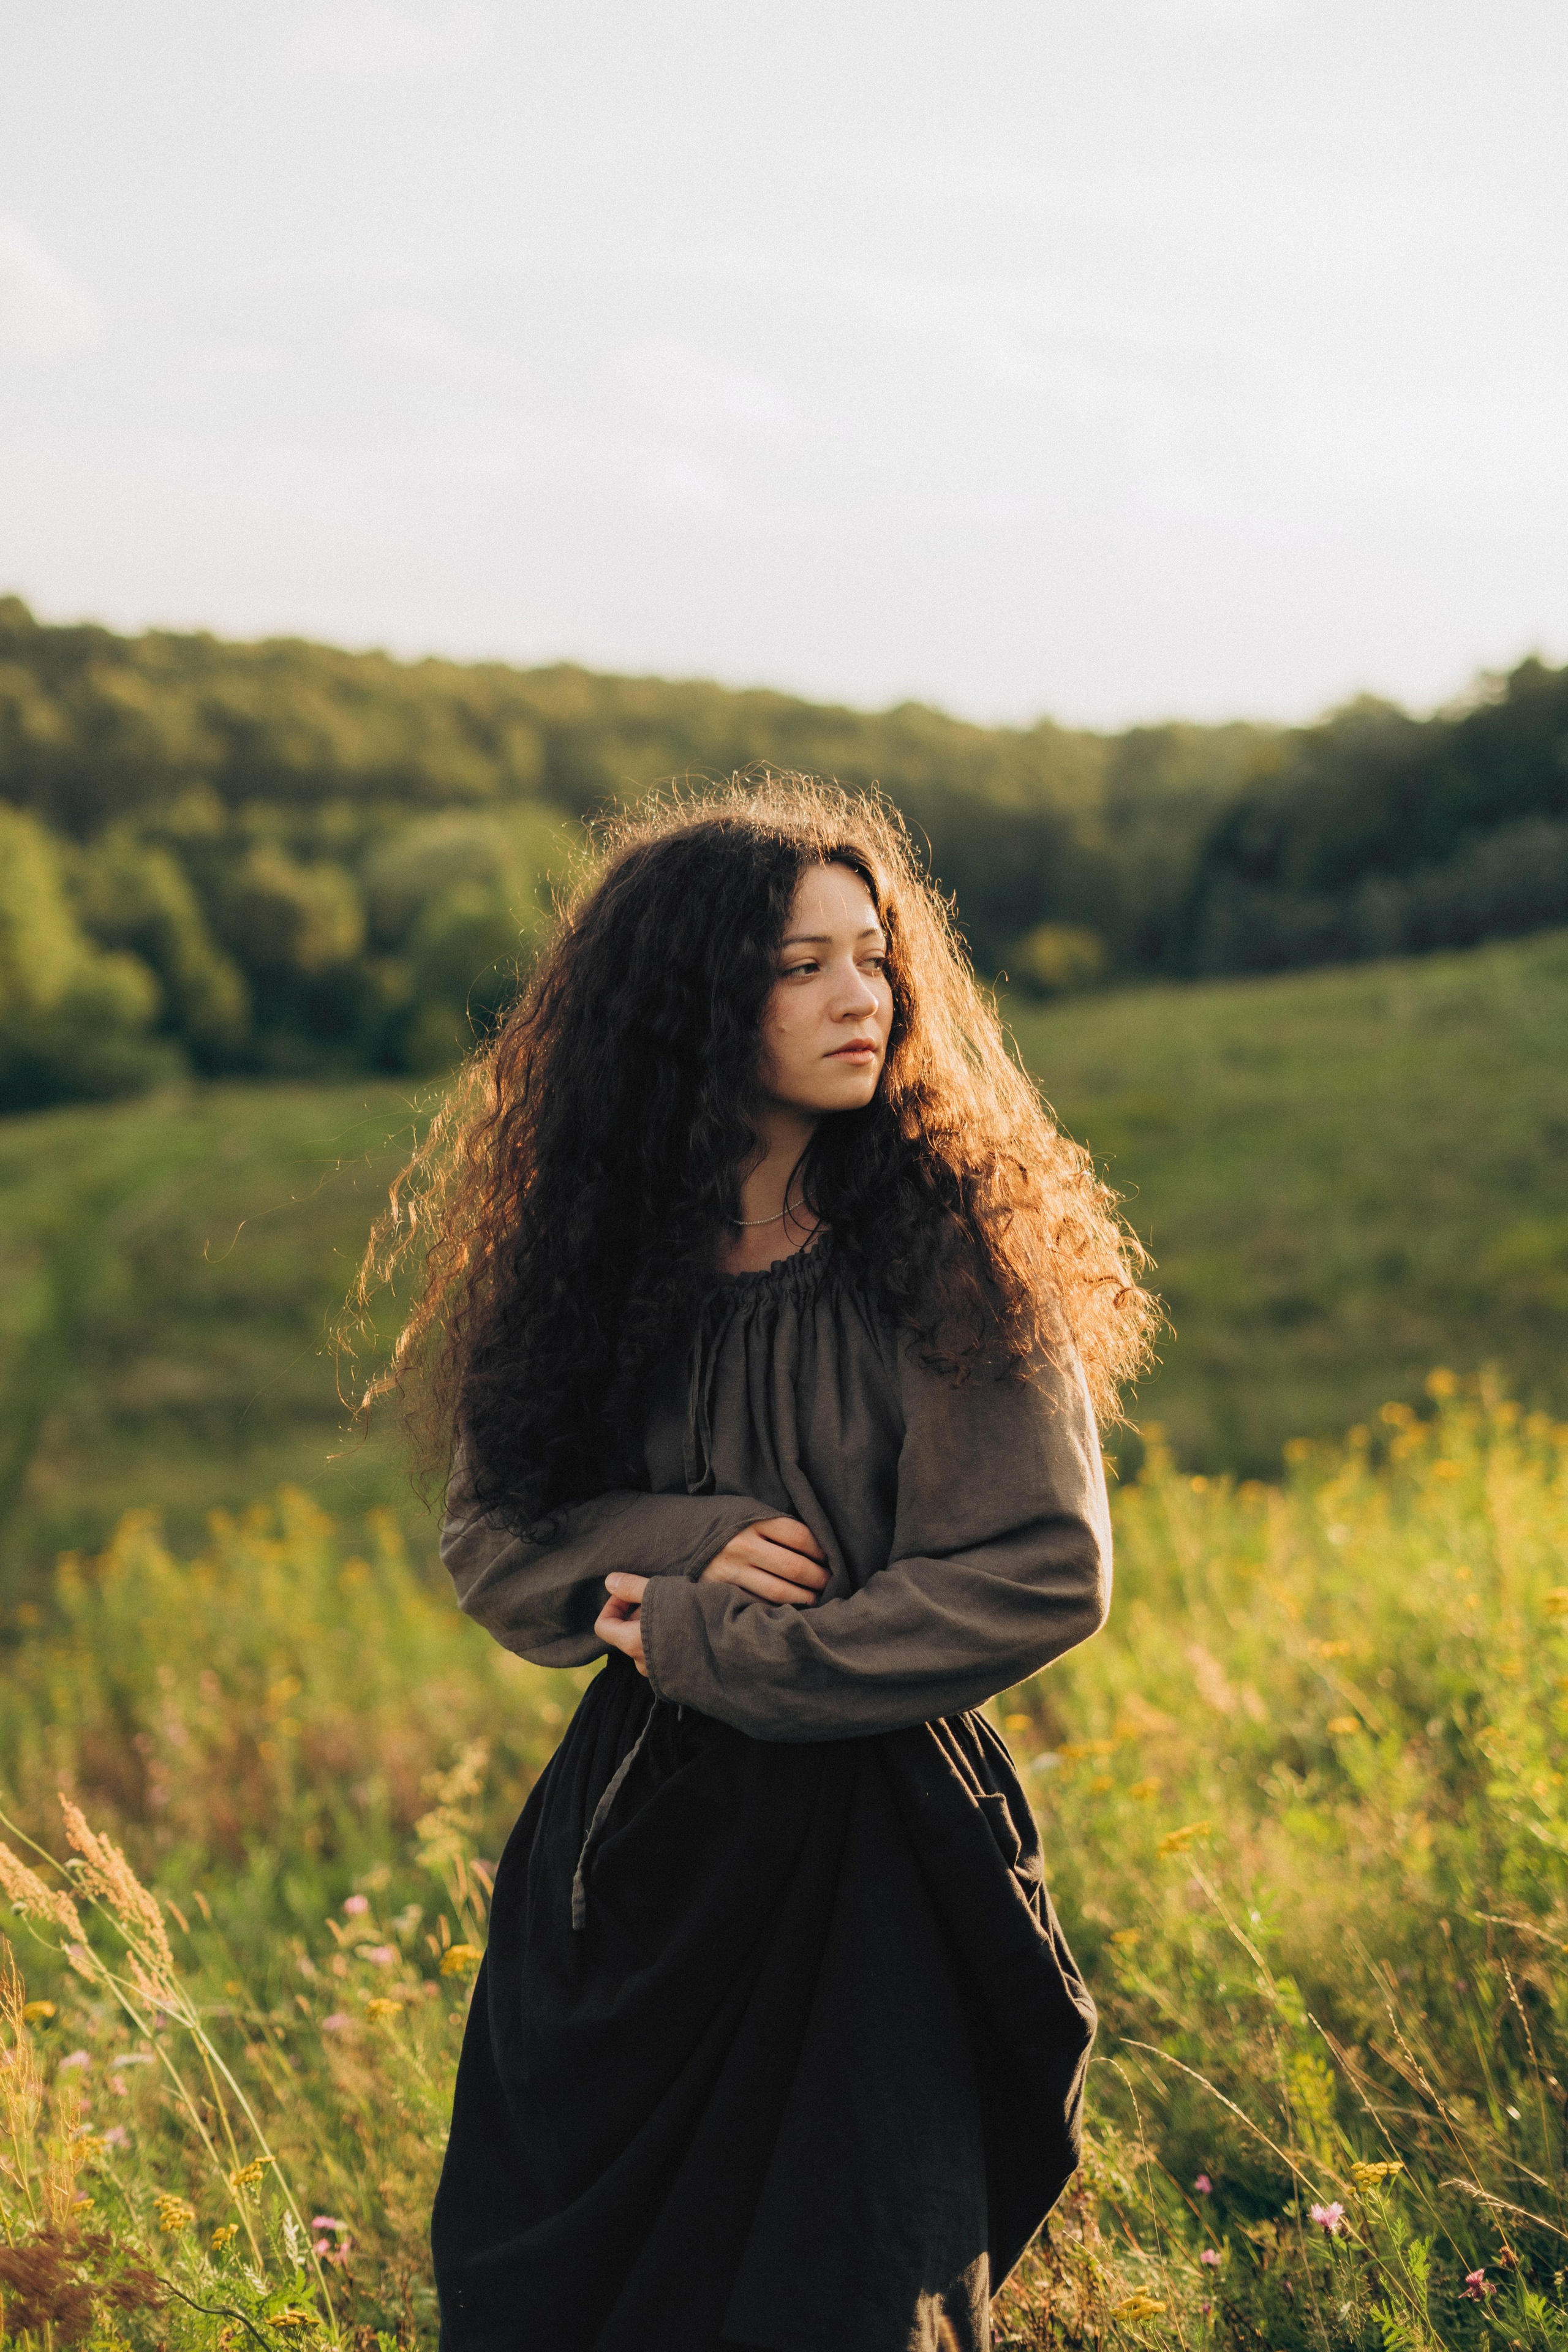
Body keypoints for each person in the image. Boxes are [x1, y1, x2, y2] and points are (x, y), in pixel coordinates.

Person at [356, 778, 1155, 2352]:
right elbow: (497, 1545)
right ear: (687, 1002)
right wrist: (696, 1540)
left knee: (842, 2298)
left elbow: (1040, 1567)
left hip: (870, 1858)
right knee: (562, 2301)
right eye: (800, 966)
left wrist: (738, 1650)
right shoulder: (591, 1256)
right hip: (624, 1869)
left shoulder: (942, 1247)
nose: (858, 995)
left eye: (870, 956)